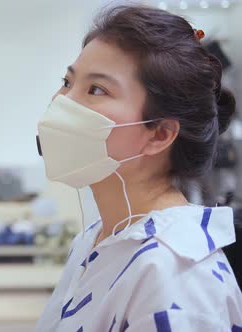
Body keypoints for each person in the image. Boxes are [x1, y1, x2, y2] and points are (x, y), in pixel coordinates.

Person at [36, 6, 242, 331]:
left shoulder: (177, 277)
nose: (63, 103)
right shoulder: (99, 239)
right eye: (67, 81)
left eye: (96, 90)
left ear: (159, 134)